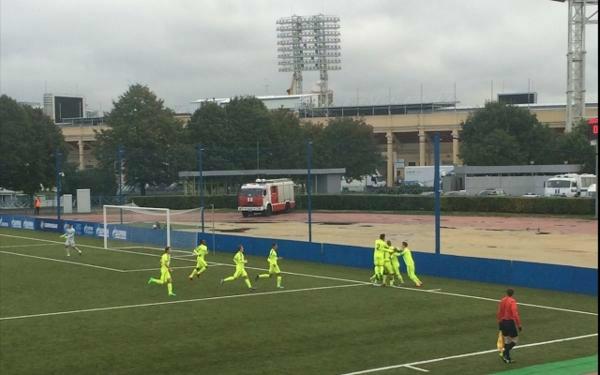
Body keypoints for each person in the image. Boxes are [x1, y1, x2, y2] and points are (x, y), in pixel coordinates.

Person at [497, 288, 522, 364]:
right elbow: (515, 314)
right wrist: (519, 324)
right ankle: (505, 353)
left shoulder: (502, 300)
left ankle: (508, 358)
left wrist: (499, 321)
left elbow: (499, 311)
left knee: (507, 340)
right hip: (509, 322)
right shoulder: (512, 301)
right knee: (515, 340)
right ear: (513, 293)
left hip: (502, 322)